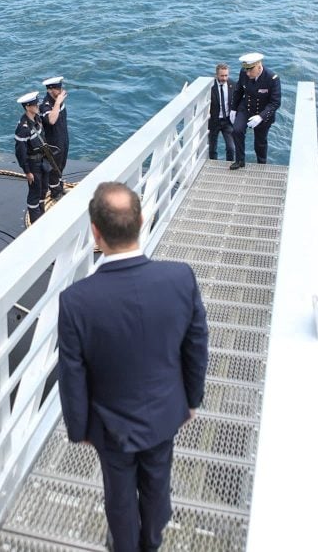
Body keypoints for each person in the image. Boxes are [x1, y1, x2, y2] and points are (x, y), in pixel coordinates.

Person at [57, 182, 208, 552]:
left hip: (110, 426)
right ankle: (152, 540)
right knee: (158, 485)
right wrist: (191, 401)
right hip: (164, 412)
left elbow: (71, 376)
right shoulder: (180, 278)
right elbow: (196, 347)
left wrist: (79, 430)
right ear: (141, 220)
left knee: (120, 499)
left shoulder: (76, 301)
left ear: (95, 231)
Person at [229, 52, 281, 169]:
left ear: (259, 67)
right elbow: (238, 91)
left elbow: (275, 102)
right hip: (246, 107)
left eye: (250, 70)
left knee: (260, 141)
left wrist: (261, 117)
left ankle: (261, 164)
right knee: (237, 130)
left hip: (263, 112)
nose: (247, 73)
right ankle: (240, 160)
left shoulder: (272, 79)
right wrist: (233, 109)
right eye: (246, 70)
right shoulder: (244, 73)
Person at [14, 91, 51, 223]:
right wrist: (27, 171)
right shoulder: (23, 128)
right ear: (27, 107)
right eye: (35, 104)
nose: (38, 106)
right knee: (35, 194)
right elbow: (20, 153)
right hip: (33, 164)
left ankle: (42, 215)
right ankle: (36, 222)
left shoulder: (37, 119)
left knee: (43, 189)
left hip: (43, 160)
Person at [39, 76, 69, 199]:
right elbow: (51, 120)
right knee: (54, 168)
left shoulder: (59, 101)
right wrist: (57, 103)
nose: (61, 91)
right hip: (53, 142)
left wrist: (59, 101)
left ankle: (60, 187)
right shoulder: (45, 105)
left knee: (61, 164)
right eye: (58, 88)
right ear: (50, 90)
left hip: (63, 138)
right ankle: (55, 193)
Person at [207, 63, 235, 161]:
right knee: (212, 149)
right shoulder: (210, 87)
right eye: (222, 75)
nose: (224, 78)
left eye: (226, 75)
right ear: (216, 75)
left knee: (231, 148)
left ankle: (230, 166)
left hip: (227, 121)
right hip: (214, 121)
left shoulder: (233, 84)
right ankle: (213, 165)